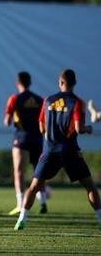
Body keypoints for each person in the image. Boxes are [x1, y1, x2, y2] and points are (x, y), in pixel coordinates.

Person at [14, 69, 101, 230]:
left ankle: (22, 220)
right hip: (70, 151)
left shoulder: (48, 101)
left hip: (49, 151)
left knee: (33, 187)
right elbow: (79, 128)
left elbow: (41, 127)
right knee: (90, 187)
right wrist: (89, 128)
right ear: (74, 83)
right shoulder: (77, 102)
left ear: (60, 82)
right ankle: (100, 219)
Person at [4, 72, 47, 215]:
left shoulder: (14, 99)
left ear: (18, 83)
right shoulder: (40, 100)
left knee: (19, 172)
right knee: (39, 172)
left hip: (21, 139)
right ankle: (42, 202)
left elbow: (7, 121)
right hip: (37, 139)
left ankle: (20, 203)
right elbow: (43, 122)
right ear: (30, 83)